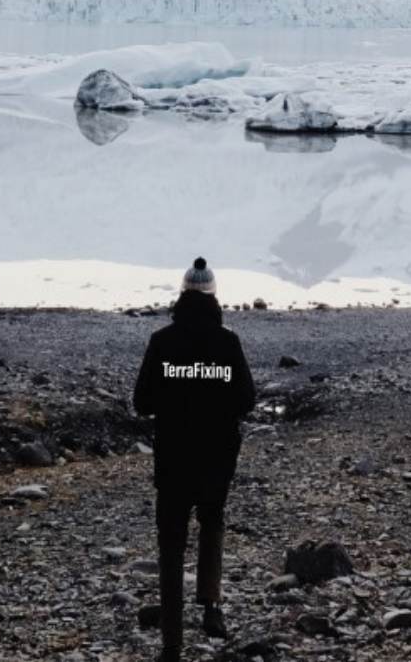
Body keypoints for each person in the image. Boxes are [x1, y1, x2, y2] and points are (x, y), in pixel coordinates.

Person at [133, 257, 256, 662]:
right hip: (217, 456)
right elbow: (246, 401)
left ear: (182, 293)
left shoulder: (162, 342)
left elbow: (142, 402)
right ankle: (211, 603)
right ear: (213, 295)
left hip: (173, 458)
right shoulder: (227, 343)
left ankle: (171, 645)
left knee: (170, 545)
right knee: (212, 521)